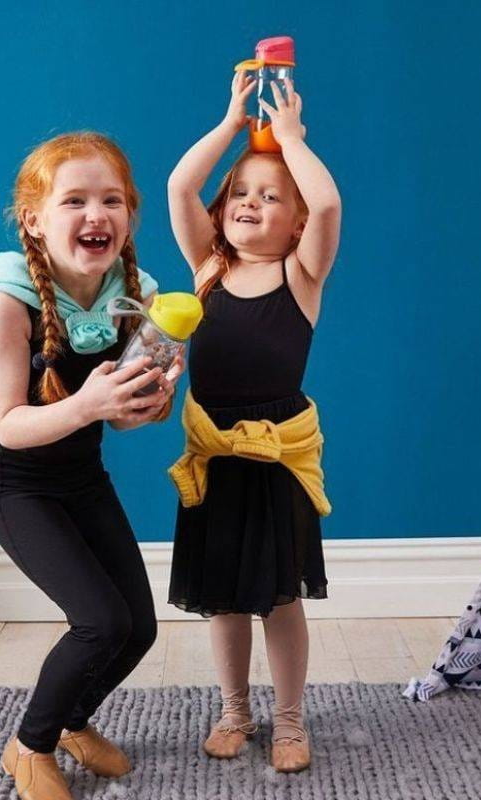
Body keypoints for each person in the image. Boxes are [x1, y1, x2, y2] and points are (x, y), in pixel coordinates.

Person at [0, 132, 183, 800]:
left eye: (112, 200)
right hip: (13, 479)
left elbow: (119, 420)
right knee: (100, 622)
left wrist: (149, 401)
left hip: (80, 475)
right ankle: (30, 746)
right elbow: (9, 425)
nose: (97, 214)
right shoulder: (8, 297)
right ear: (35, 220)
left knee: (138, 628)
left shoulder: (134, 295)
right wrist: (91, 403)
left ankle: (72, 722)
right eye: (75, 200)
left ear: (130, 216)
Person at [166, 71, 341, 772]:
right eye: (240, 191)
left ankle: (291, 719)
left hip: (277, 461)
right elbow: (180, 186)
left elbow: (327, 202)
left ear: (295, 225)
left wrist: (290, 139)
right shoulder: (207, 266)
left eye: (271, 197)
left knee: (281, 598)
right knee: (223, 600)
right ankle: (235, 709)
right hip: (216, 459)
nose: (249, 202)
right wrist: (232, 126)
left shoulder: (302, 275)